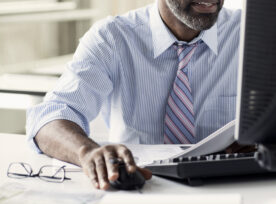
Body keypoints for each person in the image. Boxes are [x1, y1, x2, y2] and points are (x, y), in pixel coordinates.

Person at [26, 0, 241, 190]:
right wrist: (88, 153)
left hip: (236, 188)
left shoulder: (251, 32)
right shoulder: (111, 37)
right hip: (141, 188)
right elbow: (48, 120)